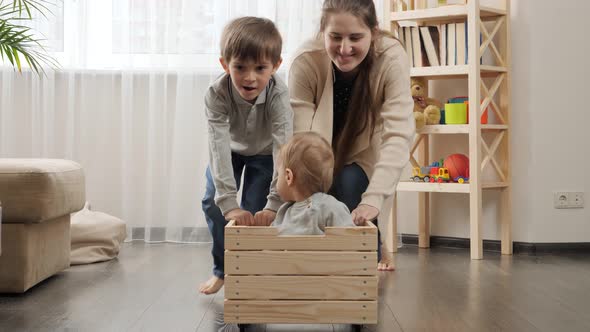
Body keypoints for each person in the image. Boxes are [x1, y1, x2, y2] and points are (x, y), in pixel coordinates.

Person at [288, 0, 415, 271]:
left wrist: (374, 199)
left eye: (356, 37)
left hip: (367, 148)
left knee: (349, 185)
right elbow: (299, 138)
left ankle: (362, 262)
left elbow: (397, 135)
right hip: (319, 148)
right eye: (335, 37)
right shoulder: (306, 60)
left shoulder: (391, 58)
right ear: (322, 31)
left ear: (374, 32)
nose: (344, 49)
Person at [199, 16, 293, 294]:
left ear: (275, 66)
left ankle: (251, 274)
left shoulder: (278, 95)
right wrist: (227, 202)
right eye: (239, 67)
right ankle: (222, 270)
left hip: (265, 154)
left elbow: (283, 147)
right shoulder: (216, 94)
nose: (249, 77)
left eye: (260, 68)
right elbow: (217, 146)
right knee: (211, 202)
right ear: (225, 64)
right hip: (230, 150)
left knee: (253, 212)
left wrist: (274, 202)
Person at [271, 132, 355, 235]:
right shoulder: (284, 211)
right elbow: (272, 242)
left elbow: (350, 239)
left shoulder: (329, 206)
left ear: (289, 177)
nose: (276, 180)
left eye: (278, 174)